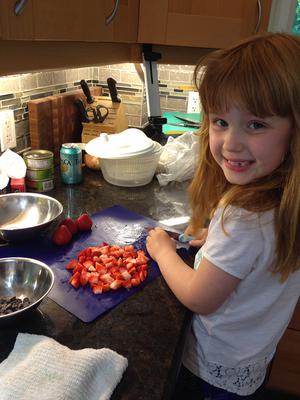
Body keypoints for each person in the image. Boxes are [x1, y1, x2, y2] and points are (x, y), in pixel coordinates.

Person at [146, 32, 300, 399]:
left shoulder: (245, 215)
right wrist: (211, 242)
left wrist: (162, 251)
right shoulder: (283, 198)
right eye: (220, 122)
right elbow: (253, 260)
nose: (231, 143)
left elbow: (201, 297)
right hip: (252, 359)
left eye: (256, 124)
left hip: (211, 372)